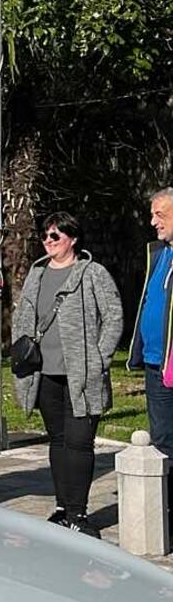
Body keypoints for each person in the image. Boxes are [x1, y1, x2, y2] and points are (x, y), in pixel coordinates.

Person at [12, 211, 123, 534]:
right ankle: (62, 508)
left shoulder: (92, 273)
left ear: (72, 239)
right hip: (43, 372)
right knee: (58, 441)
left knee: (79, 443)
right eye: (45, 236)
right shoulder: (37, 273)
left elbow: (114, 316)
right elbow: (23, 318)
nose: (48, 241)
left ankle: (79, 514)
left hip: (82, 374)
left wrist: (99, 358)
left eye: (55, 236)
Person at [129, 187, 173, 461]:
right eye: (152, 215)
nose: (153, 222)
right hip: (155, 363)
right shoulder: (158, 253)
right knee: (162, 441)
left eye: (160, 215)